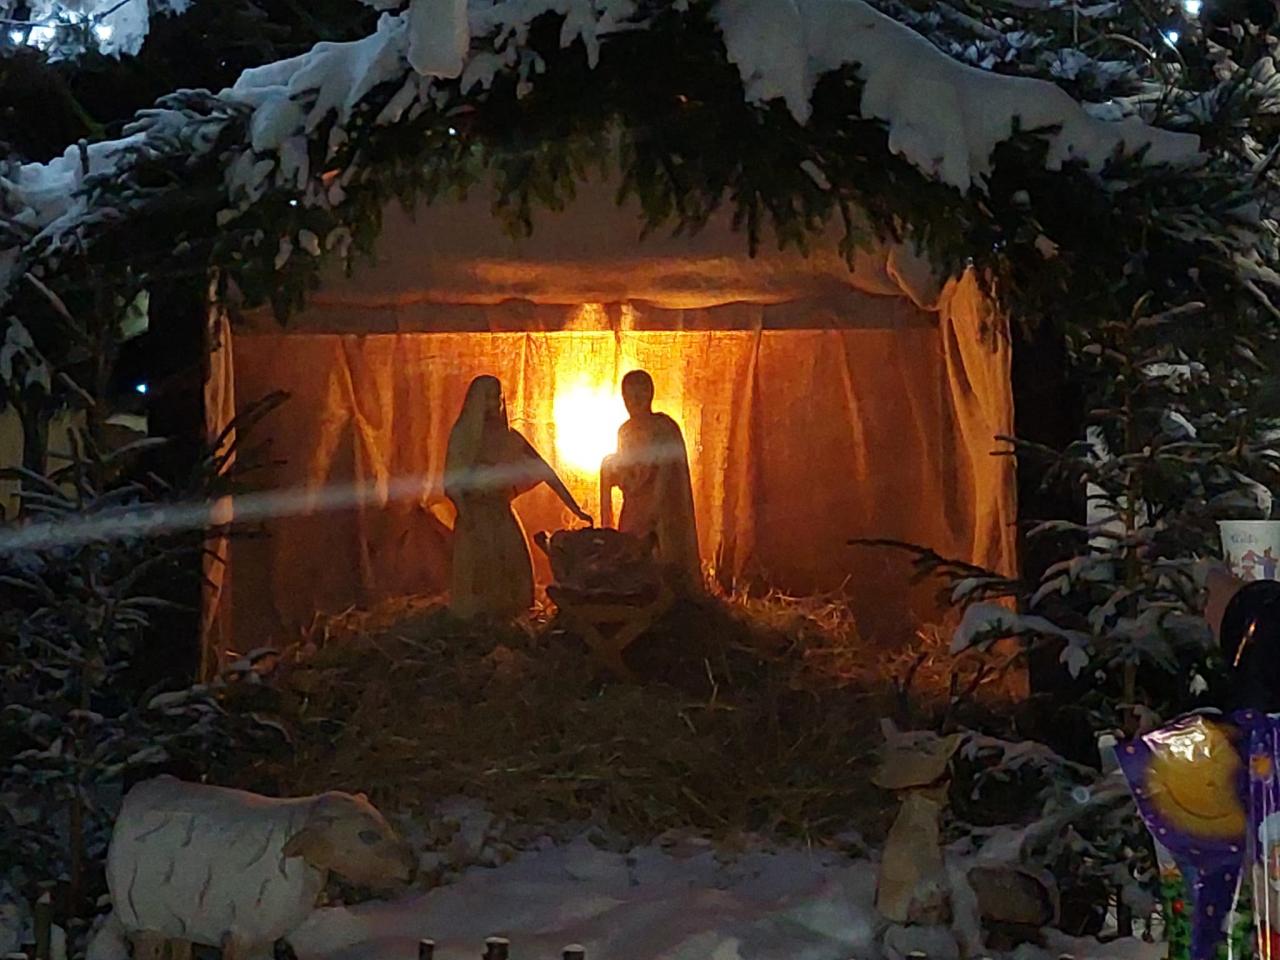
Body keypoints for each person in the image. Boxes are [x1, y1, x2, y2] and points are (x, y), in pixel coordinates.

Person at [445, 375, 591, 620]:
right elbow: (452, 481)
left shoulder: (510, 439)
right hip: (475, 521)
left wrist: (575, 508)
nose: (494, 403)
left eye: (498, 397)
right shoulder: (463, 437)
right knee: (479, 578)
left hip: (501, 514)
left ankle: (510, 622)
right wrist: (466, 514)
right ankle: (479, 624)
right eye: (487, 397)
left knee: (513, 573)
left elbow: (545, 471)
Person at [600, 370, 700, 591]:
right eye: (629, 395)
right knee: (631, 556)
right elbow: (627, 470)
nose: (635, 400)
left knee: (660, 557)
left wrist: (655, 508)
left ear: (650, 394)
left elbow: (667, 471)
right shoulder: (625, 431)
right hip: (634, 504)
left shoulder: (664, 428)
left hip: (662, 507)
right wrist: (611, 469)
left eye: (641, 393)